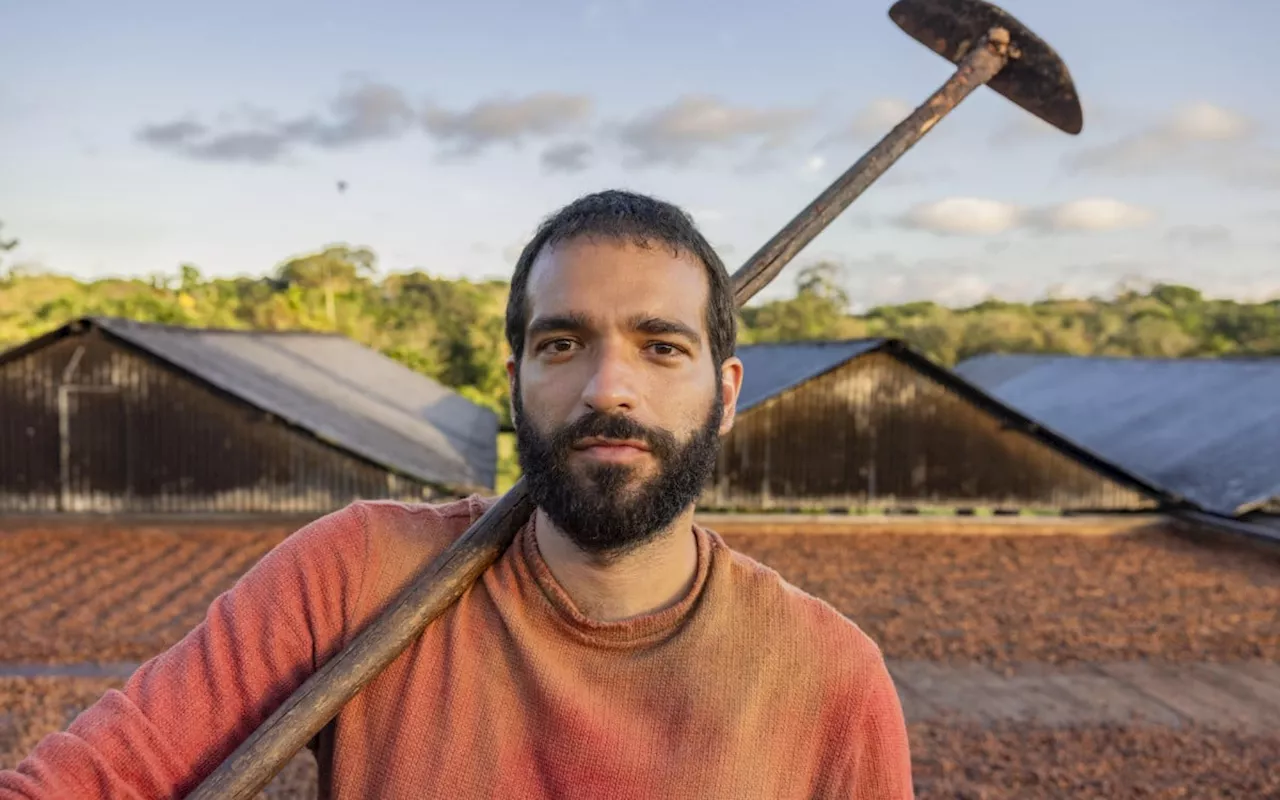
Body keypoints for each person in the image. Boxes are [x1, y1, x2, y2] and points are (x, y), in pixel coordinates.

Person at [0, 190, 914, 799]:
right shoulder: (361, 574)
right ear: (514, 383)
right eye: (563, 344)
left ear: (726, 392)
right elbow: (96, 777)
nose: (608, 388)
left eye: (661, 346)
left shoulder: (829, 679)